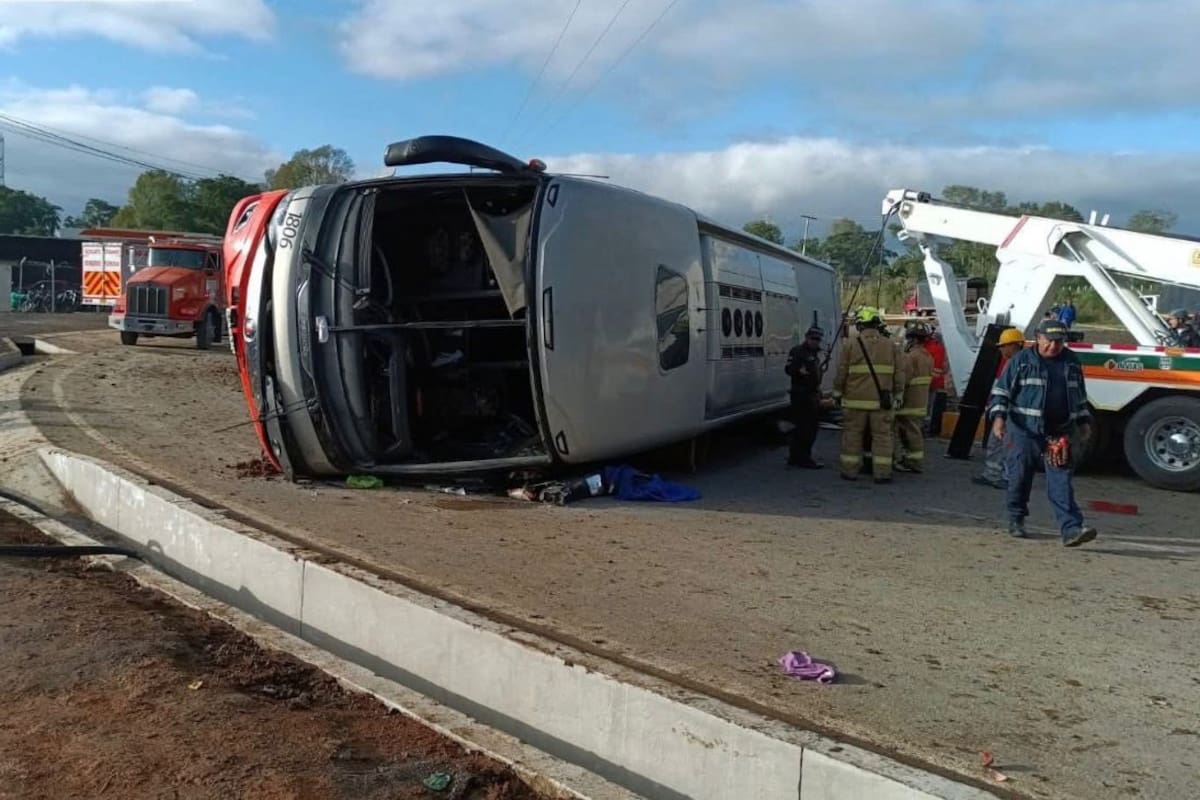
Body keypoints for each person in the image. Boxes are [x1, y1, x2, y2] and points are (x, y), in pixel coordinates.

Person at [989, 319, 1097, 547]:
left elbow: (1079, 395)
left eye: (1059, 342)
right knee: (1019, 477)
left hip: (1059, 432)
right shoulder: (1021, 360)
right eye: (1049, 341)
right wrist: (998, 418)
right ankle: (1016, 518)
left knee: (1061, 480)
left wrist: (1084, 422)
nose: (1053, 346)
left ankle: (1071, 529)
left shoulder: (1071, 362)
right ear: (1038, 338)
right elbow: (1001, 392)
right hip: (1023, 431)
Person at [834, 307, 906, 483]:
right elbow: (899, 374)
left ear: (860, 325)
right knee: (882, 438)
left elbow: (842, 372)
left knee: (852, 436)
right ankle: (882, 474)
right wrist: (898, 395)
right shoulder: (891, 345)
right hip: (881, 402)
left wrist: (837, 393)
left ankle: (849, 471)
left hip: (854, 402)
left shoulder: (850, 344)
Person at [973, 327, 1024, 488]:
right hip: (1008, 411)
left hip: (1009, 412)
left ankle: (1002, 476)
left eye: (1003, 346)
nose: (1001, 349)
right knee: (999, 443)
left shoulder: (1016, 362)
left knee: (1002, 444)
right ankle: (994, 474)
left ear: (1013, 345)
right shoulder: (1016, 361)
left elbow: (1007, 390)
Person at [894, 322, 934, 473]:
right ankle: (914, 460)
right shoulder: (928, 356)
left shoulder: (910, 357)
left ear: (914, 339)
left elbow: (903, 380)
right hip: (921, 401)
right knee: (915, 431)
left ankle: (912, 462)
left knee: (907, 432)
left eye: (909, 338)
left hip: (909, 402)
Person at [785, 326, 825, 468]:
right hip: (801, 394)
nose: (815, 341)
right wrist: (800, 371)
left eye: (818, 339)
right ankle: (802, 457)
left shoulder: (815, 353)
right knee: (805, 428)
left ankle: (797, 456)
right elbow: (789, 369)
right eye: (813, 338)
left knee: (807, 428)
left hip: (812, 394)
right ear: (807, 337)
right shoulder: (798, 351)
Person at [923, 329, 948, 436]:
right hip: (935, 382)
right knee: (929, 408)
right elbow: (943, 367)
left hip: (924, 383)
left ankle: (924, 428)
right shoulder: (939, 348)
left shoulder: (924, 348)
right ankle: (927, 428)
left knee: (925, 407)